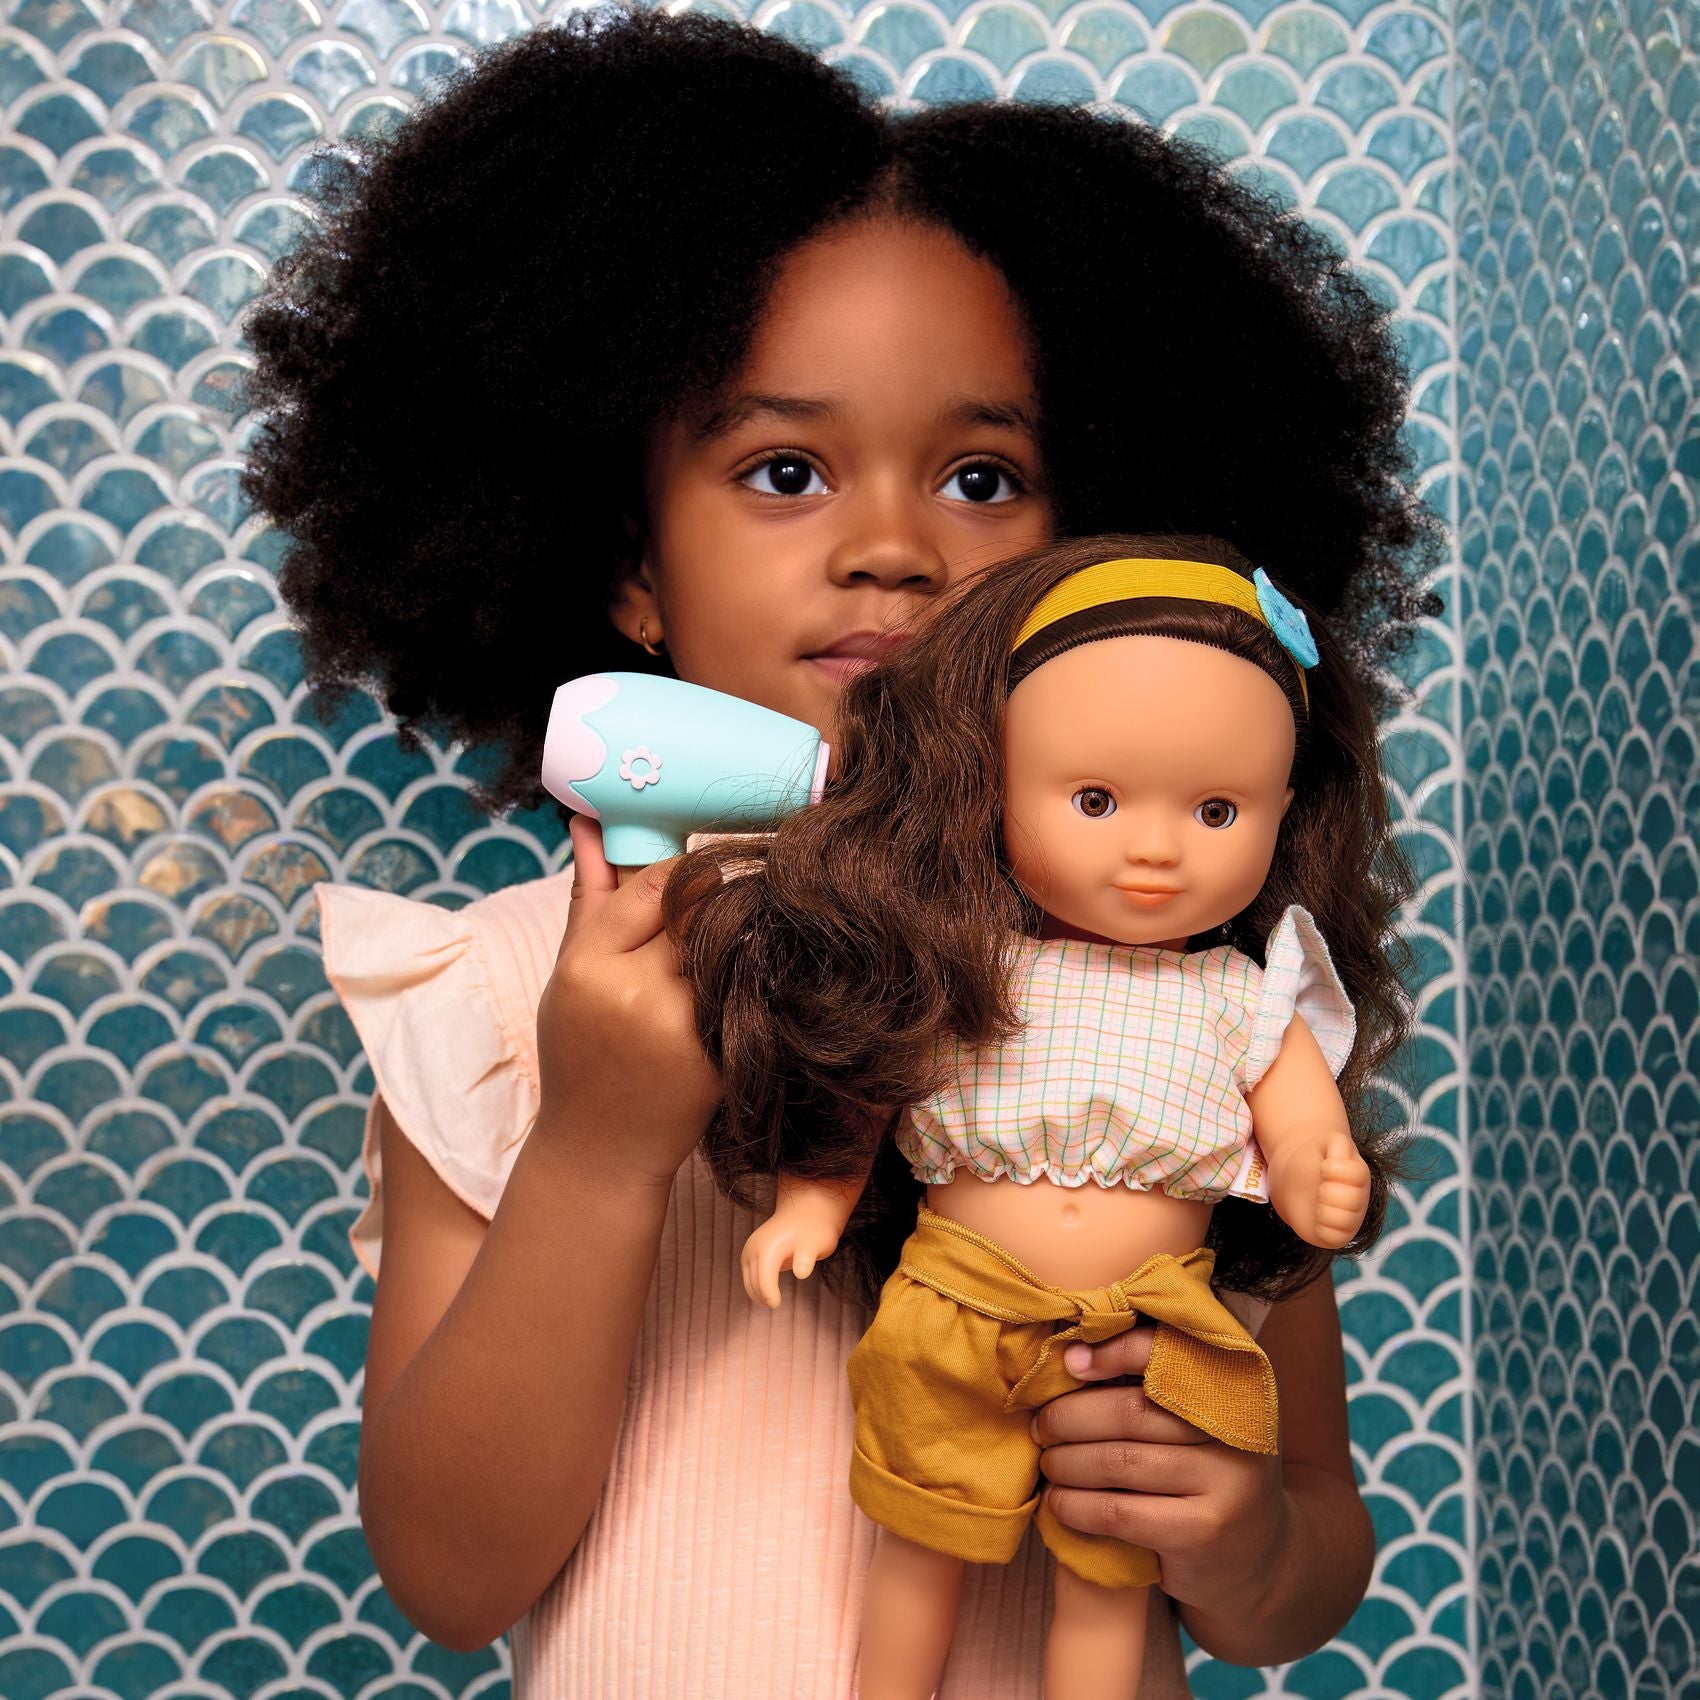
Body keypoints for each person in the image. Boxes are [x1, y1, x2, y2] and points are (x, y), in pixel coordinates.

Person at [241, 8, 1442, 1695]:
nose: (891, 547)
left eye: (983, 478)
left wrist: (1240, 1541)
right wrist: (596, 1147)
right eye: (787, 469)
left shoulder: (1192, 984)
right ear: (633, 570)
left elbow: (1307, 1566)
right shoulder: (511, 996)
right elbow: (448, 1575)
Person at [665, 535, 1417, 1698]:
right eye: (1095, 798)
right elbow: (870, 1079)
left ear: (1282, 811)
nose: (1156, 846)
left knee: (1110, 1568)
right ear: (989, 784)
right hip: (956, 1298)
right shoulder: (972, 966)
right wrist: (812, 1200)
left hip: (1142, 1333)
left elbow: (1298, 1110)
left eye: (1216, 807)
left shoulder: (1240, 992)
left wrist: (1319, 1164)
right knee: (919, 1545)